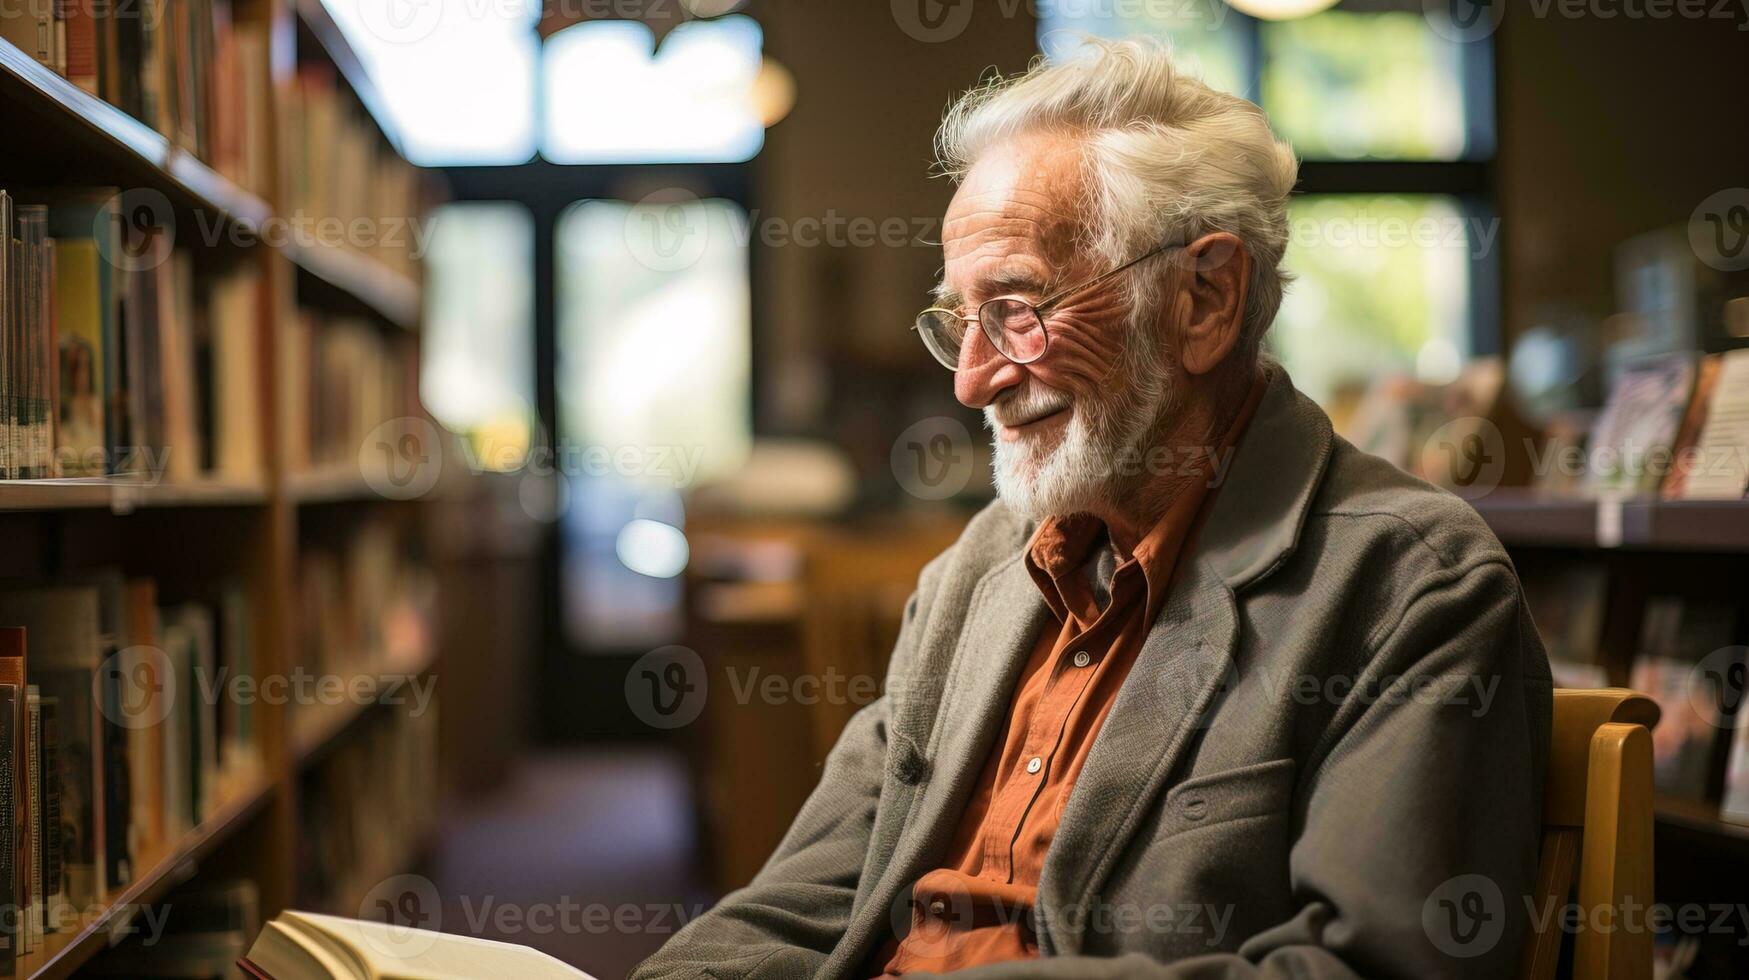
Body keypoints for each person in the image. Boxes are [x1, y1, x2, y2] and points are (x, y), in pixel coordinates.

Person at [636, 37, 1551, 979]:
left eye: (1019, 309)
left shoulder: (1409, 586)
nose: (973, 381)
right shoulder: (979, 571)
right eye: (960, 321)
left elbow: (1368, 972)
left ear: (1204, 298)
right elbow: (816, 897)